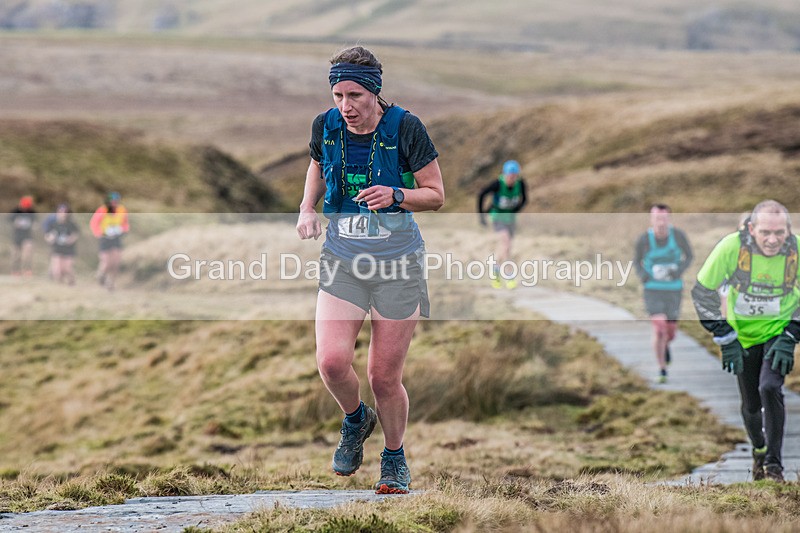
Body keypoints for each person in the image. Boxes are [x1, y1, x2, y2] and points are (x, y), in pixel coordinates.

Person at [296, 46, 444, 494]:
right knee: (331, 362)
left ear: (375, 92)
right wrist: (306, 208)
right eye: (338, 95)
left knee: (383, 377)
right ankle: (356, 418)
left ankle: (394, 458)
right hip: (343, 260)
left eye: (355, 95)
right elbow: (317, 165)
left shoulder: (406, 128)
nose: (346, 106)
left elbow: (435, 194)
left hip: (399, 265)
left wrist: (396, 195)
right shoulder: (326, 126)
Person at [692, 200, 800, 482]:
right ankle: (759, 449)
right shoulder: (731, 248)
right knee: (751, 403)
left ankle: (774, 466)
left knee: (770, 387)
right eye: (765, 232)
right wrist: (725, 337)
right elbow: (702, 293)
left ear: (788, 230)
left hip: (778, 330)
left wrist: (791, 335)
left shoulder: (797, 250)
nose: (772, 240)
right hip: (743, 336)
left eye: (779, 233)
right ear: (751, 229)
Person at [634, 204, 693, 383]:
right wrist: (644, 276)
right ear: (651, 219)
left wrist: (678, 270)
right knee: (659, 327)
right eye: (657, 218)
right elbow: (636, 261)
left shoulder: (678, 236)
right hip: (652, 289)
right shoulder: (644, 239)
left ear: (669, 219)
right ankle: (662, 369)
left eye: (664, 218)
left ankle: (666, 345)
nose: (660, 222)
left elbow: (689, 256)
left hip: (673, 289)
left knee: (670, 332)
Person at [477, 160, 528, 289]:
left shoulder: (521, 184)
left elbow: (525, 199)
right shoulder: (498, 184)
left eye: (514, 176)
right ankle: (509, 276)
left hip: (510, 218)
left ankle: (495, 270)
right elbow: (481, 194)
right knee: (505, 243)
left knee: (506, 248)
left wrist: (517, 209)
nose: (512, 179)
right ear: (504, 174)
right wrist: (481, 215)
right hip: (497, 217)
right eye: (510, 176)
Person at [90, 192, 129, 291]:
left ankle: (111, 283)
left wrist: (122, 229)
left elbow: (126, 224)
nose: (114, 203)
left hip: (116, 237)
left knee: (116, 263)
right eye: (112, 201)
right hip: (105, 238)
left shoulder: (122, 210)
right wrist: (100, 233)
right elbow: (94, 223)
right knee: (106, 262)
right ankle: (100, 275)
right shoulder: (102, 210)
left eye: (116, 201)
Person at [44, 204, 79, 285]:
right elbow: (47, 235)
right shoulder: (53, 224)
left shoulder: (71, 224)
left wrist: (71, 239)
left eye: (65, 212)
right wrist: (50, 238)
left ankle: (72, 282)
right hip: (57, 248)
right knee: (57, 270)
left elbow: (76, 234)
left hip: (68, 249)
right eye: (60, 212)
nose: (63, 214)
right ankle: (60, 285)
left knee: (67, 269)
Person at [9, 195, 37, 277]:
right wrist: (14, 223)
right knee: (16, 255)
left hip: (27, 236)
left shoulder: (32, 212)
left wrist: (34, 225)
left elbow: (36, 223)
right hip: (17, 236)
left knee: (27, 254)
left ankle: (27, 270)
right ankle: (15, 270)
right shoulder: (15, 211)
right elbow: (8, 221)